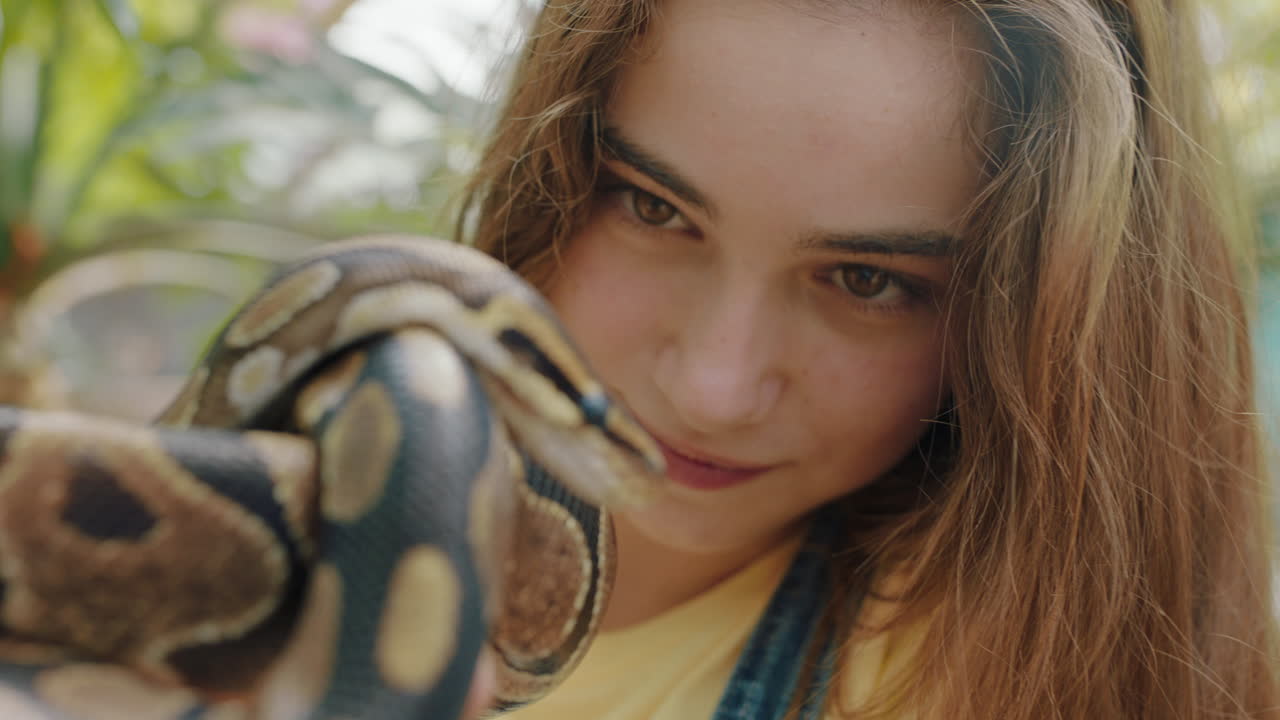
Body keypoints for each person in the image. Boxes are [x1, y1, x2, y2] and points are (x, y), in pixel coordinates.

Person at [455, 0, 1280, 718]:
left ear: (1021, 326)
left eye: (867, 281)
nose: (717, 389)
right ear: (549, 171)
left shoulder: (994, 679)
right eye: (652, 207)